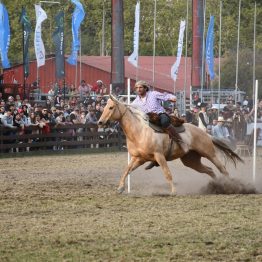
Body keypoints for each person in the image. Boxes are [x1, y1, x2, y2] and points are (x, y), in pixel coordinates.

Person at [132, 80, 188, 170]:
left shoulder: (153, 94)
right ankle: (154, 160)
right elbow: (131, 111)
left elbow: (165, 96)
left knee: (165, 122)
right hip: (148, 120)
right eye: (137, 88)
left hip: (160, 115)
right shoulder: (135, 102)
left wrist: (172, 98)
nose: (138, 89)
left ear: (145, 88)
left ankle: (180, 141)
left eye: (140, 87)